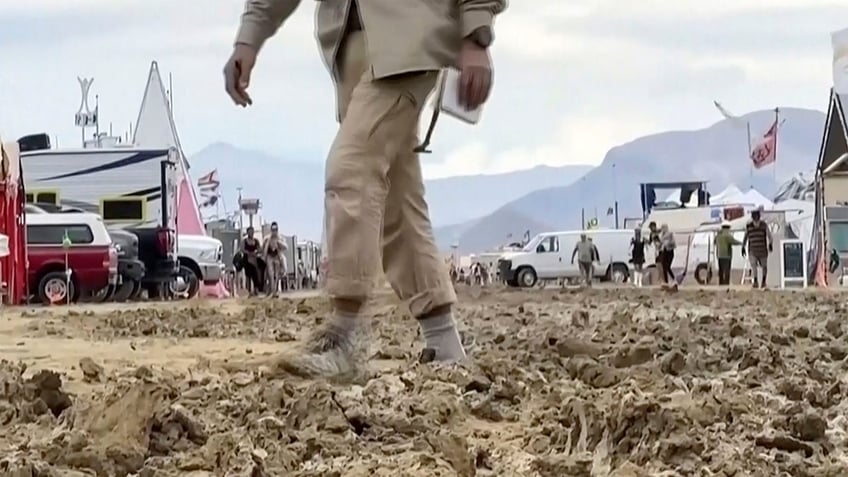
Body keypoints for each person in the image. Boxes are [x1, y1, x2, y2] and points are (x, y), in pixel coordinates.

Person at [225, 0, 506, 377]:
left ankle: (345, 336)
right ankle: (445, 345)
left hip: (411, 40)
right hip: (350, 53)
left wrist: (476, 33)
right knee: (397, 199)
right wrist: (249, 37)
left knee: (351, 167)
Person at [741, 209, 773, 289]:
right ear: (752, 218)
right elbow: (745, 237)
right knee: (753, 265)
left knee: (764, 266)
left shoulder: (764, 225)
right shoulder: (748, 227)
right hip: (753, 250)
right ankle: (755, 281)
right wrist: (743, 247)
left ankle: (763, 281)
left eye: (757, 218)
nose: (756, 221)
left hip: (762, 250)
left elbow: (770, 236)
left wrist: (770, 244)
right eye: (755, 218)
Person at [263, 222, 288, 296]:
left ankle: (275, 290)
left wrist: (279, 243)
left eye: (276, 229)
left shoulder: (280, 237)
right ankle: (272, 290)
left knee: (276, 275)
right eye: (273, 229)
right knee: (270, 274)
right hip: (270, 256)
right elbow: (263, 248)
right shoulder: (267, 238)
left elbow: (286, 247)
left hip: (277, 256)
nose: (274, 231)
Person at [715, 221, 741, 286]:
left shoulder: (718, 235)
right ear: (728, 227)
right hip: (727, 255)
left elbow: (714, 242)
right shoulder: (728, 235)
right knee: (727, 270)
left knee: (721, 270)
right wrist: (741, 243)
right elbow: (734, 241)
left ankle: (721, 283)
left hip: (719, 255)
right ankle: (726, 283)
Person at [241, 227, 263, 296]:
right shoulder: (244, 241)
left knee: (255, 275)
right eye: (250, 232)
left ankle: (256, 290)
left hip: (254, 260)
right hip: (247, 259)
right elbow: (242, 249)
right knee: (248, 276)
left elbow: (260, 249)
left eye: (252, 232)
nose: (251, 233)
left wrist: (256, 251)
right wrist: (249, 253)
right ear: (247, 233)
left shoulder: (256, 241)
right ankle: (249, 291)